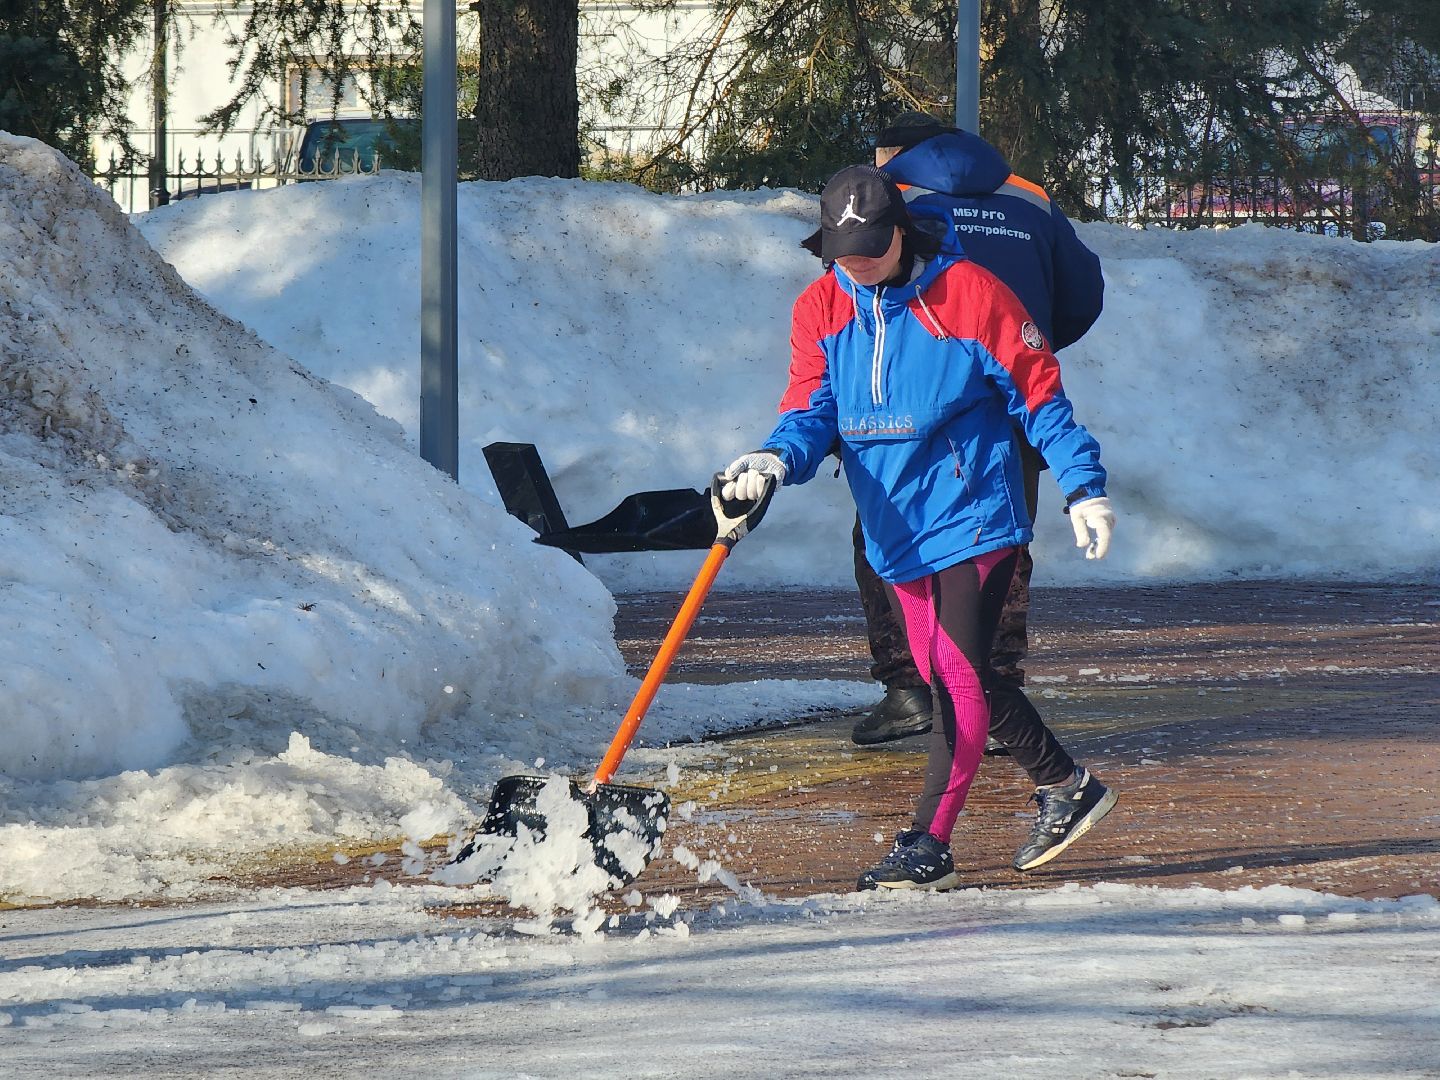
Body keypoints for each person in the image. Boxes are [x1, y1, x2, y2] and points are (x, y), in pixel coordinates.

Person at [720, 165, 1117, 890]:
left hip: (974, 514)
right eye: (845, 254)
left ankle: (929, 840)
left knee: (960, 677)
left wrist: (1082, 485)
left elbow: (1040, 394)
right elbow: (812, 409)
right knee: (950, 675)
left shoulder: (970, 295)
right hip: (892, 523)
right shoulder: (820, 307)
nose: (860, 264)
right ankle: (1067, 783)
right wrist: (775, 458)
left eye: (873, 247)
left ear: (903, 231)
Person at [853, 111, 1105, 749]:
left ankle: (910, 689)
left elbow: (859, 303)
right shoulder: (1030, 196)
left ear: (896, 156)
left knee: (888, 534)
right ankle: (996, 694)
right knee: (1003, 542)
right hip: (1016, 399)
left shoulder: (892, 201)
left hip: (914, 406)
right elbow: (1084, 291)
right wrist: (1032, 338)